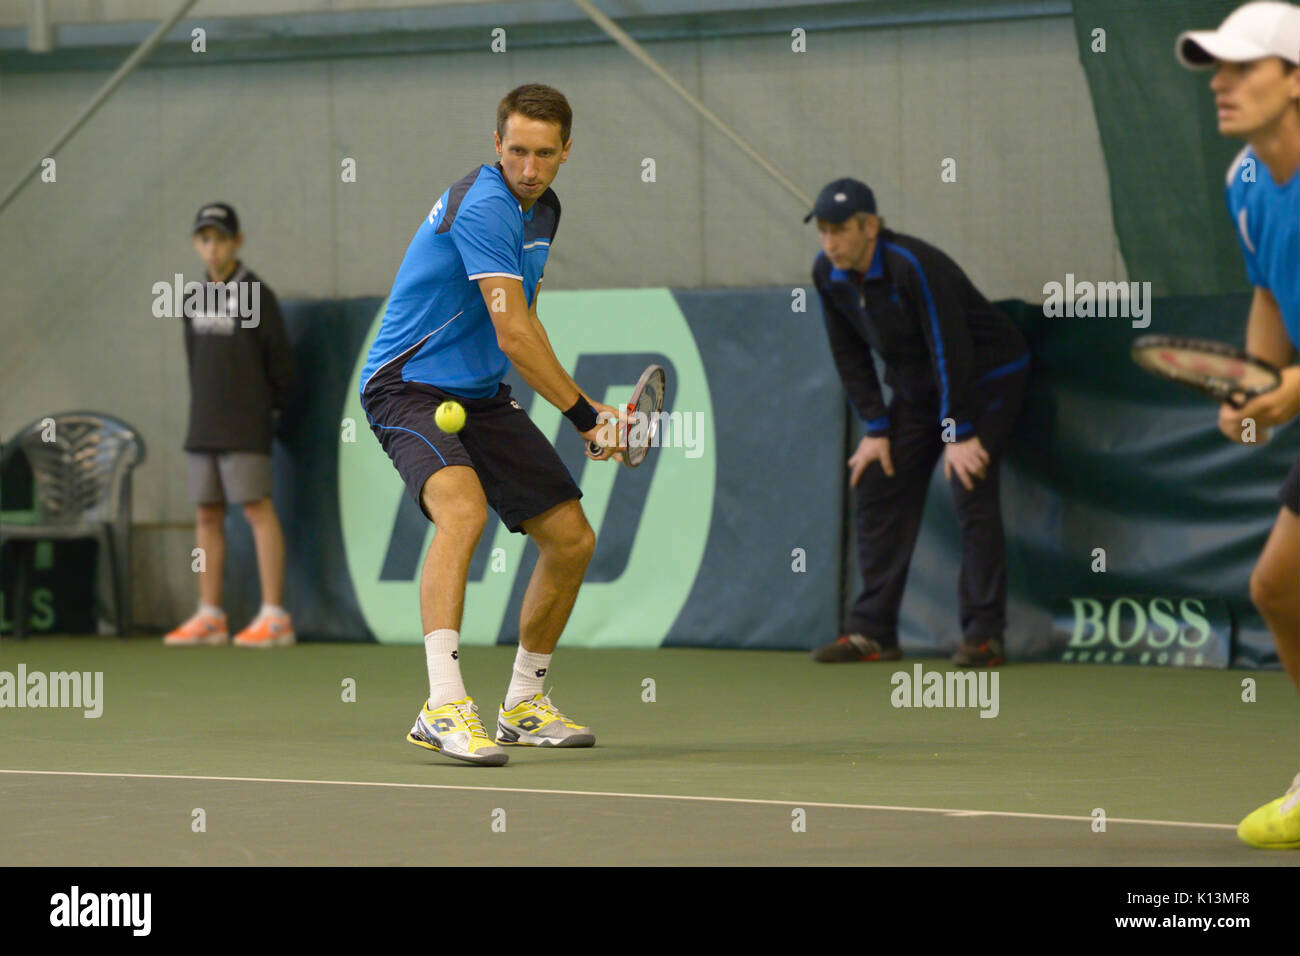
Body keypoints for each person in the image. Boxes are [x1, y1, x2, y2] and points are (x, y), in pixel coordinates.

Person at [360, 84, 622, 767]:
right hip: (406, 386)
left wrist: (587, 408)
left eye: (543, 153)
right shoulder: (485, 206)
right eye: (516, 152)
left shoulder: (544, 211)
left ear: (566, 152)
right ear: (496, 146)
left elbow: (521, 323)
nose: (528, 168)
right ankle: (443, 705)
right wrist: (587, 417)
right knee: (463, 511)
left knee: (570, 540)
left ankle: (524, 705)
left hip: (477, 395)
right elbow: (512, 332)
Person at [807, 179, 1029, 667]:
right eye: (823, 231)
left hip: (987, 375)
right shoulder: (828, 273)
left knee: (969, 479)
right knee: (876, 479)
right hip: (919, 390)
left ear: (871, 226)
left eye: (840, 230)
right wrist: (877, 428)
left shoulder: (913, 266)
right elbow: (849, 355)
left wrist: (959, 432)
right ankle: (872, 633)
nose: (830, 243)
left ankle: (985, 637)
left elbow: (951, 349)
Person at [1178, 0, 1300, 849]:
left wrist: (1293, 388)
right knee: (1277, 587)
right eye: (1215, 69)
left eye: (1243, 68)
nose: (1220, 85)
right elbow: (1267, 290)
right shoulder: (1246, 183)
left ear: (1296, 79)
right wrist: (1256, 383)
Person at [164, 202, 296, 648]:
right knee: (206, 514)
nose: (212, 247)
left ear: (236, 242)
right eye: (204, 239)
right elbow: (194, 360)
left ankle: (275, 616)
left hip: (246, 425)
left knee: (257, 509)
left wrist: (267, 412)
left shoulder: (258, 296)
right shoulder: (191, 297)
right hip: (203, 424)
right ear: (195, 244)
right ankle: (210, 615)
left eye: (220, 238)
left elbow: (281, 365)